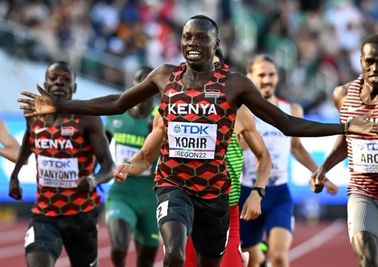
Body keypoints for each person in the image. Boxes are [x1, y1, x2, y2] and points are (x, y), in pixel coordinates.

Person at [17, 15, 378, 267]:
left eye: (201, 37)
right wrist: (60, 104)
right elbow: (116, 101)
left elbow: (287, 123)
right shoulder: (164, 76)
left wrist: (344, 127)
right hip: (172, 184)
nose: (192, 43)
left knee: (210, 260)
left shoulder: (235, 84)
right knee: (175, 253)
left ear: (216, 42)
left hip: (213, 193)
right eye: (187, 37)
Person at [114, 100, 272, 266]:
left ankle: (238, 257)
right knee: (177, 256)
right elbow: (145, 158)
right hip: (185, 205)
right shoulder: (170, 107)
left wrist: (258, 192)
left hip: (223, 209)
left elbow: (263, 156)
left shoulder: (237, 111)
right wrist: (129, 166)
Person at [10, 61, 114, 267]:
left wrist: (93, 180)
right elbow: (27, 141)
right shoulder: (33, 114)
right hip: (44, 214)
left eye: (66, 80)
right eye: (54, 78)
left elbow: (109, 166)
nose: (59, 82)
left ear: (74, 88)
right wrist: (15, 175)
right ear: (45, 84)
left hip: (81, 216)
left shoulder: (87, 118)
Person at [238, 54, 339, 267]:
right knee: (251, 259)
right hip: (248, 191)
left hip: (278, 193)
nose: (267, 79)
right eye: (261, 74)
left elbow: (297, 148)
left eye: (272, 74)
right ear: (250, 77)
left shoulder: (291, 110)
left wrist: (321, 173)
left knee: (279, 257)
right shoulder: (242, 112)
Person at [311, 34, 378, 267]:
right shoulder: (342, 95)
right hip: (364, 193)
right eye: (369, 61)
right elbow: (345, 139)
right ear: (361, 61)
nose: (375, 68)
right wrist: (323, 168)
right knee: (367, 260)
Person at [104, 67, 159, 267]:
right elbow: (100, 152)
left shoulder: (160, 119)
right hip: (122, 195)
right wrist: (95, 175)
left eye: (148, 84)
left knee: (146, 261)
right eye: (138, 82)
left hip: (151, 198)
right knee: (118, 248)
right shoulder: (115, 116)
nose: (141, 87)